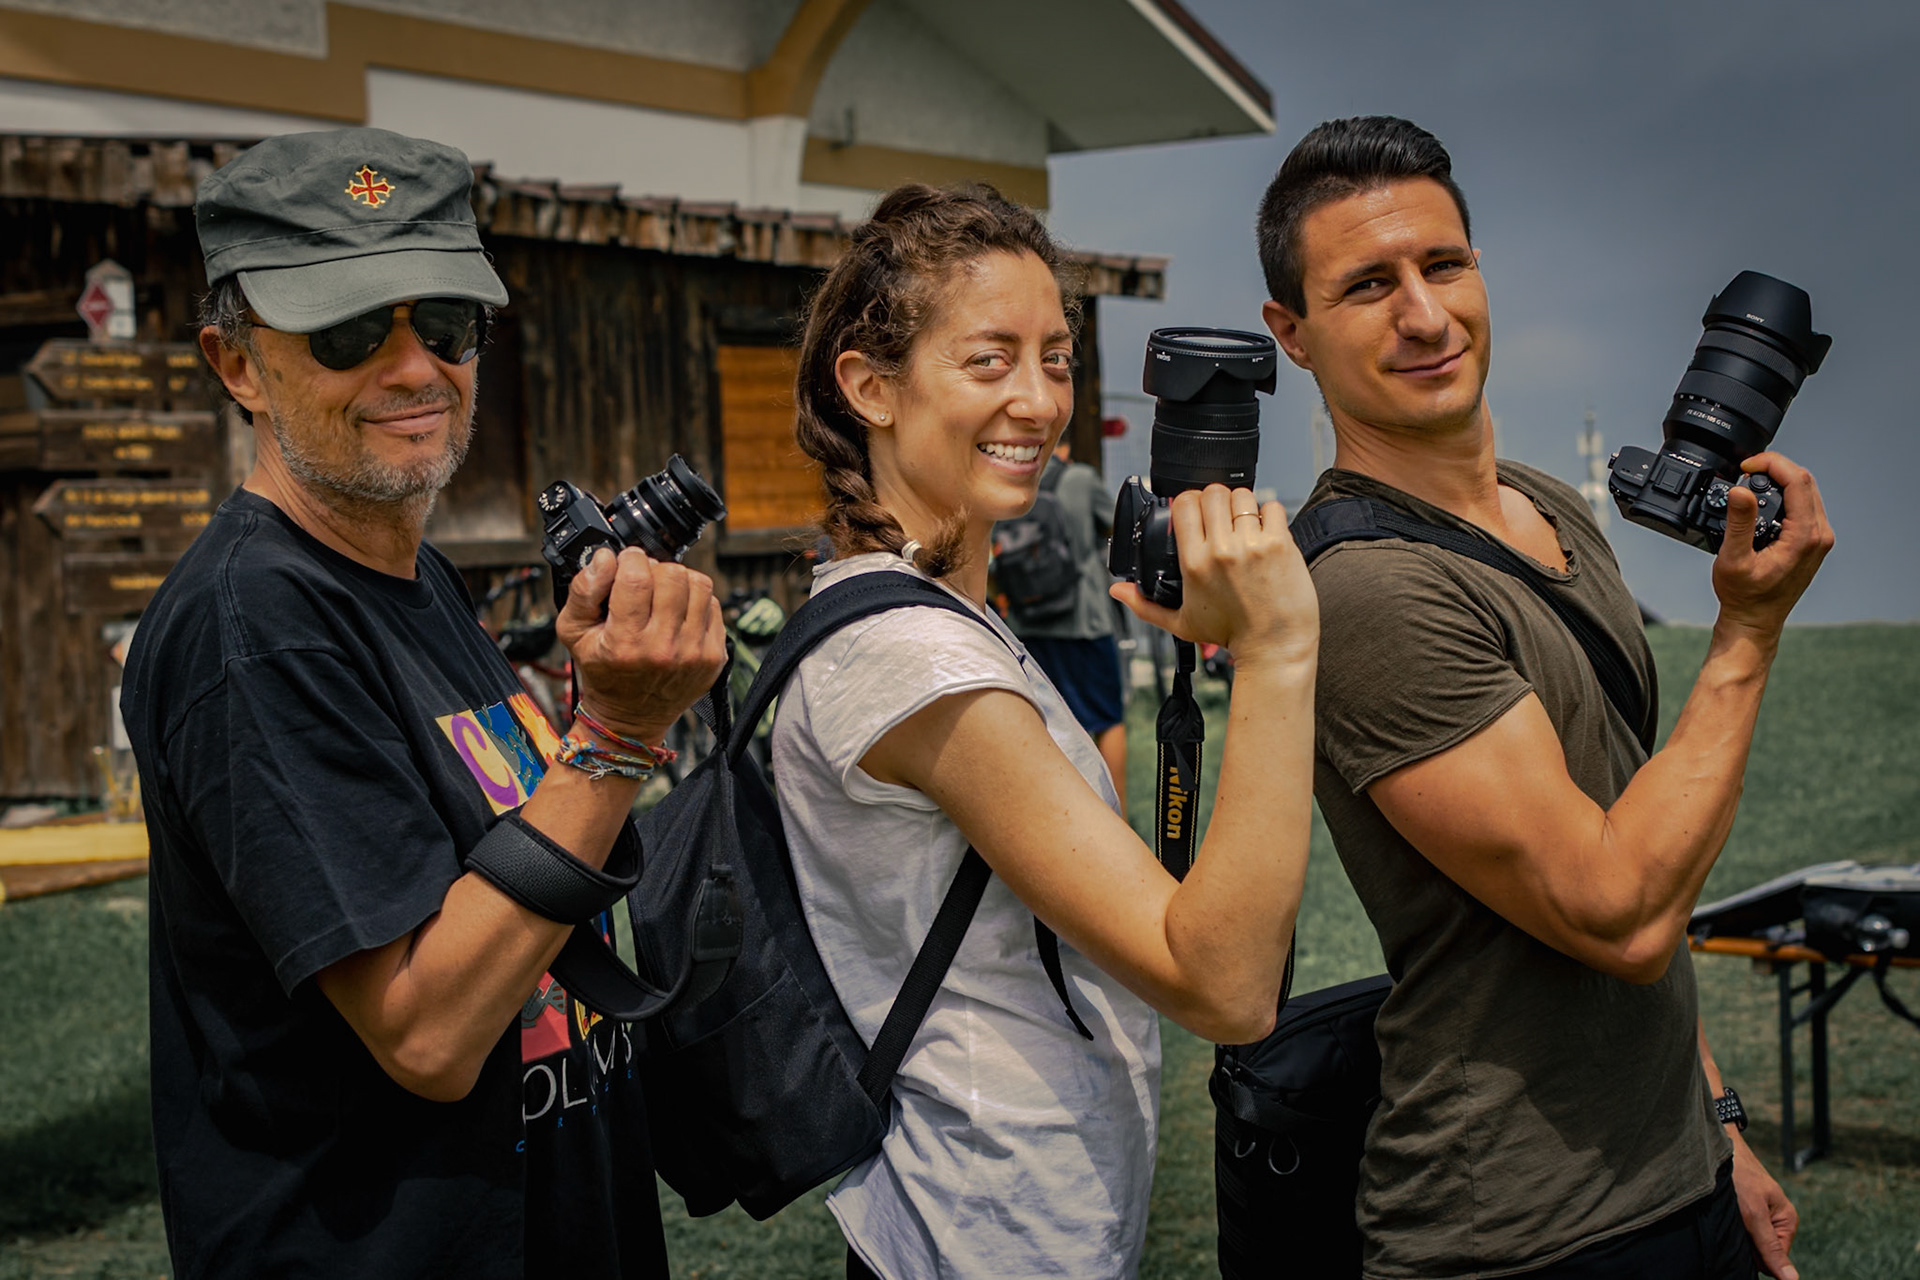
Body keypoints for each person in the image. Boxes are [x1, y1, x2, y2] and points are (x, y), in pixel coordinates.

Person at [120, 128, 726, 1279]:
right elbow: (430, 1030)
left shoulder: (414, 576)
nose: (414, 369)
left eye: (444, 323)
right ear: (236, 362)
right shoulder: (251, 628)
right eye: (350, 331)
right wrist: (615, 736)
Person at [1256, 116, 1831, 1279]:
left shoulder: (1547, 507)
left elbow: (1633, 821)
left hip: (1677, 1170)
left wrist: (1716, 1127)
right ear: (1293, 335)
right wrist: (1747, 633)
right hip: (1521, 1228)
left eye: (1443, 264)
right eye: (1368, 285)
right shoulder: (1367, 588)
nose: (1424, 315)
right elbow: (1618, 909)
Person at [776, 183, 1320, 1279]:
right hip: (974, 1233)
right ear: (871, 386)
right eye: (990, 360)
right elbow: (1221, 983)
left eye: (1058, 357)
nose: (1038, 400)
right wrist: (1277, 650)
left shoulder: (944, 617)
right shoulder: (914, 658)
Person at [999, 436, 1132, 813]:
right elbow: (1119, 528)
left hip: (1027, 625)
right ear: (1066, 448)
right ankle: (1115, 820)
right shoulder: (1081, 480)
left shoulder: (1010, 483)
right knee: (1107, 718)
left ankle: (1059, 814)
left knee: (1046, 726)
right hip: (1084, 621)